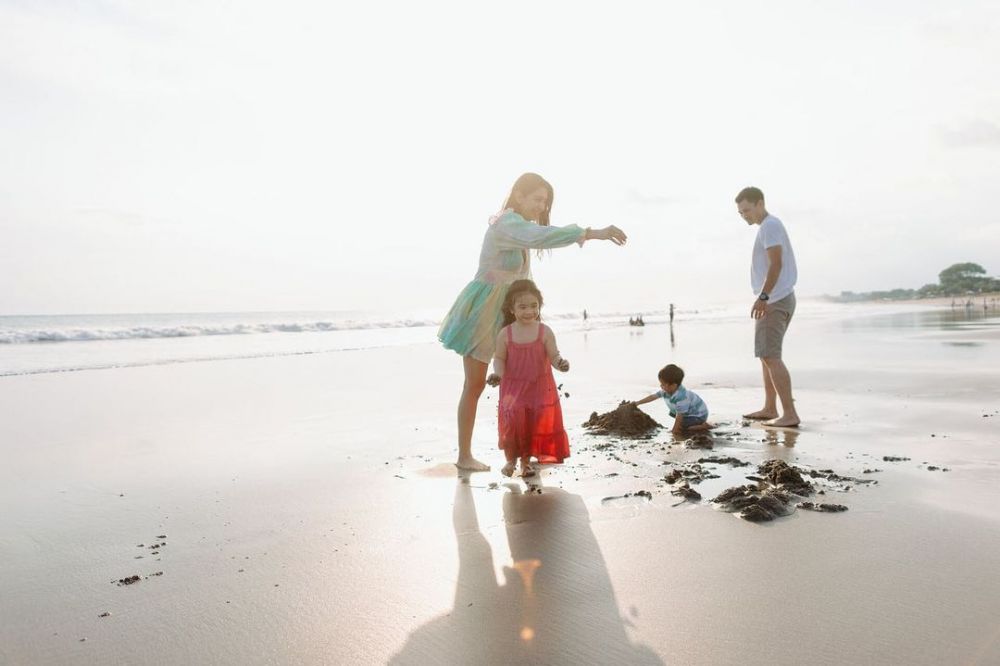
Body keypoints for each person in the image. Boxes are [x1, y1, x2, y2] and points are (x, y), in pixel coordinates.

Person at [438, 173, 627, 471]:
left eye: (545, 202)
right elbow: (541, 236)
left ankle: (525, 452)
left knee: (525, 385)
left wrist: (530, 314)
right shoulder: (507, 224)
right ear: (518, 195)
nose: (542, 207)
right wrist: (592, 233)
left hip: (511, 313)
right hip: (483, 312)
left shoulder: (519, 226)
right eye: (537, 199)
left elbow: (522, 277)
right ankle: (464, 456)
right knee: (474, 385)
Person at [485, 280, 570, 478]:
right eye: (522, 307)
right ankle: (510, 460)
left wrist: (560, 363)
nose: (529, 311)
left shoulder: (544, 331)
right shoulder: (505, 334)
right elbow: (499, 359)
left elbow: (554, 355)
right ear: (512, 309)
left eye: (534, 306)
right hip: (512, 388)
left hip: (539, 387)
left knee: (531, 425)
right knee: (513, 423)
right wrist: (497, 374)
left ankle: (525, 463)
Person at [735, 186, 800, 427]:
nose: (744, 215)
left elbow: (776, 264)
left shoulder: (769, 226)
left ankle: (789, 414)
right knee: (766, 356)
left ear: (760, 203)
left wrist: (763, 296)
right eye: (741, 212)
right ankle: (770, 407)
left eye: (747, 210)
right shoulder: (769, 226)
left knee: (770, 356)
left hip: (774, 300)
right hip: (780, 297)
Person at [630, 363, 711, 435]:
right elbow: (652, 397)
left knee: (684, 428)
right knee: (678, 419)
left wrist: (674, 431)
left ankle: (703, 426)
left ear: (673, 385)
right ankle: (693, 424)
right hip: (689, 414)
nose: (661, 386)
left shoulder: (682, 398)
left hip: (698, 415)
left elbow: (679, 416)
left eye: (663, 384)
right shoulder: (666, 391)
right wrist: (638, 402)